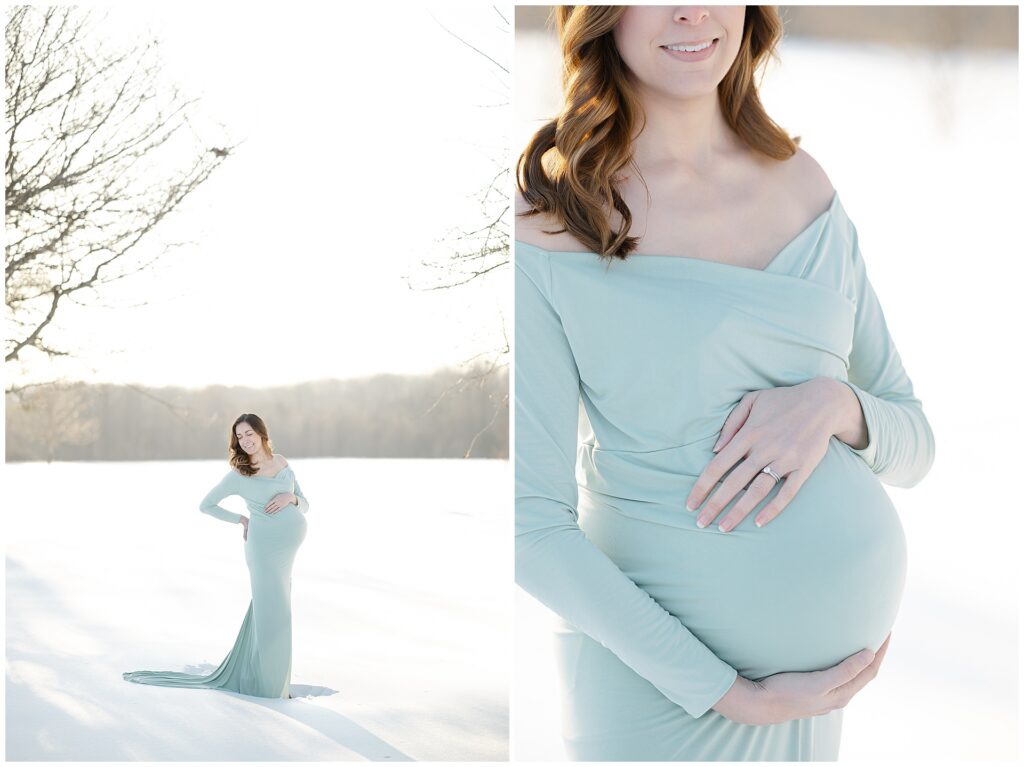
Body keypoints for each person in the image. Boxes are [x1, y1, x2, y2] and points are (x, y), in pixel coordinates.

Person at [514, 5, 935, 760]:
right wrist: (734, 694)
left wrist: (834, 404)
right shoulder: (554, 224)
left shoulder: (806, 188)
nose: (691, 10)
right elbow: (533, 532)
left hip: (811, 712)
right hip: (660, 699)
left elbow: (915, 441)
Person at [123, 413, 309, 699]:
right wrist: (241, 520)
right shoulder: (239, 475)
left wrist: (291, 498)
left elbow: (305, 504)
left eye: (249, 434)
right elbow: (206, 505)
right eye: (239, 436)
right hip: (263, 551)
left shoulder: (282, 462)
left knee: (277, 615)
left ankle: (276, 685)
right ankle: (269, 690)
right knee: (274, 616)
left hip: (287, 555)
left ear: (261, 433)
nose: (245, 441)